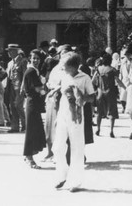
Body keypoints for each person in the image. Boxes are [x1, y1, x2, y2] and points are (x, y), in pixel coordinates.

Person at [53, 53, 95, 192]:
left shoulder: (85, 78)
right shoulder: (64, 75)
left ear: (72, 67)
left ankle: (75, 182)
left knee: (77, 148)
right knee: (57, 147)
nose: (62, 67)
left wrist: (82, 97)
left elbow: (92, 97)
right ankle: (62, 175)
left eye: (64, 65)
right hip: (62, 114)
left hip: (76, 116)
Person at [44, 44, 71, 160]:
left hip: (62, 99)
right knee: (50, 126)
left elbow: (67, 83)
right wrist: (50, 86)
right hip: (52, 98)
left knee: (63, 127)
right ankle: (50, 152)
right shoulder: (56, 68)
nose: (64, 55)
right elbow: (49, 81)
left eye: (66, 53)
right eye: (62, 53)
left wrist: (56, 88)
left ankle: (64, 154)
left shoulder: (70, 68)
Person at [22, 49, 47, 169]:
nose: (36, 60)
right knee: (31, 131)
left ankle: (29, 155)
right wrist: (44, 91)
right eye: (34, 58)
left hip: (34, 103)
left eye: (38, 58)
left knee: (35, 129)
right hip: (32, 103)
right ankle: (29, 157)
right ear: (29, 59)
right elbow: (38, 89)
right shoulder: (31, 71)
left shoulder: (34, 71)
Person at [93, 53, 125, 138]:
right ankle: (111, 131)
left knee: (99, 113)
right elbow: (118, 81)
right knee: (112, 113)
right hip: (110, 92)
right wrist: (125, 87)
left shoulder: (98, 69)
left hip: (100, 92)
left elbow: (93, 80)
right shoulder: (112, 70)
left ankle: (98, 129)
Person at [6, 44, 27, 133]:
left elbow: (25, 75)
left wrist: (23, 87)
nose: (9, 53)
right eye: (8, 51)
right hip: (11, 86)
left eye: (11, 50)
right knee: (12, 106)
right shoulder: (10, 63)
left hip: (19, 87)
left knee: (18, 106)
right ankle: (15, 126)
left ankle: (25, 124)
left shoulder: (23, 61)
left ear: (16, 51)